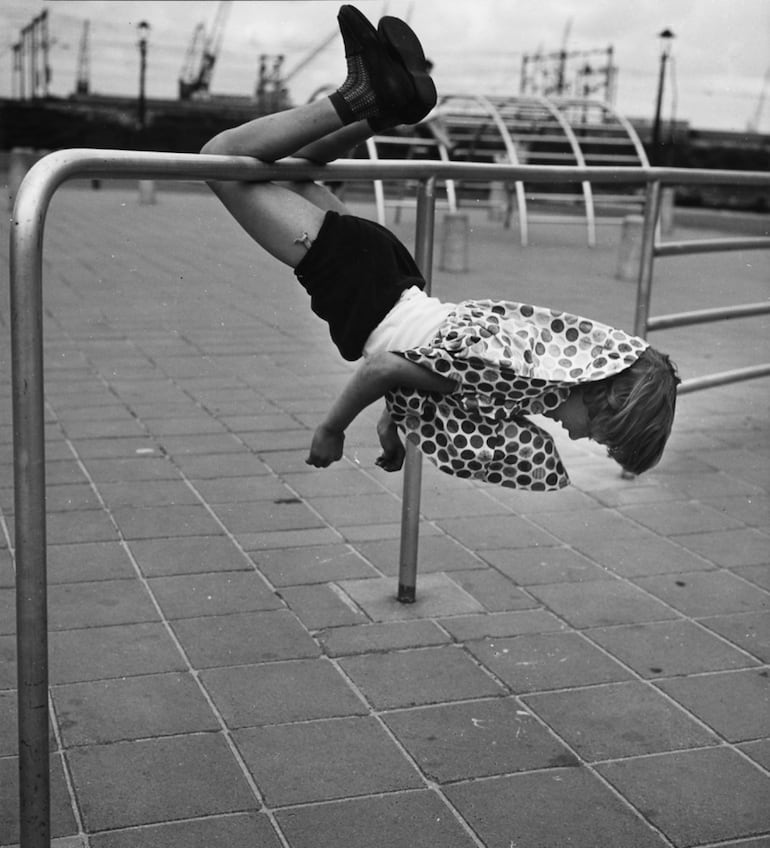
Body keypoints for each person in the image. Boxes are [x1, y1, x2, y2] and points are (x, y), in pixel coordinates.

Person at [201, 5, 679, 492]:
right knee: (218, 160)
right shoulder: (517, 384)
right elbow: (385, 366)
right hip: (362, 285)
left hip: (388, 275)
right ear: (605, 400)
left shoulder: (540, 363)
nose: (583, 437)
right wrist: (332, 429)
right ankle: (356, 98)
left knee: (297, 168)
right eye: (599, 434)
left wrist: (397, 418)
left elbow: (427, 364)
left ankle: (385, 111)